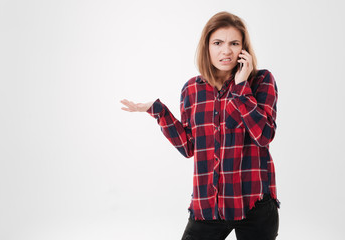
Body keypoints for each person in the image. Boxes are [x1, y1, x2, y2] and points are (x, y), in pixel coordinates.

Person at [120, 11, 279, 240]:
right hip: (208, 206)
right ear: (207, 47)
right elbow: (188, 147)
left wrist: (241, 86)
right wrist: (157, 111)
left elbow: (264, 136)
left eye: (234, 43)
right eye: (218, 43)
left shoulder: (262, 80)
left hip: (255, 204)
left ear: (244, 49)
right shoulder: (192, 89)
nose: (226, 51)